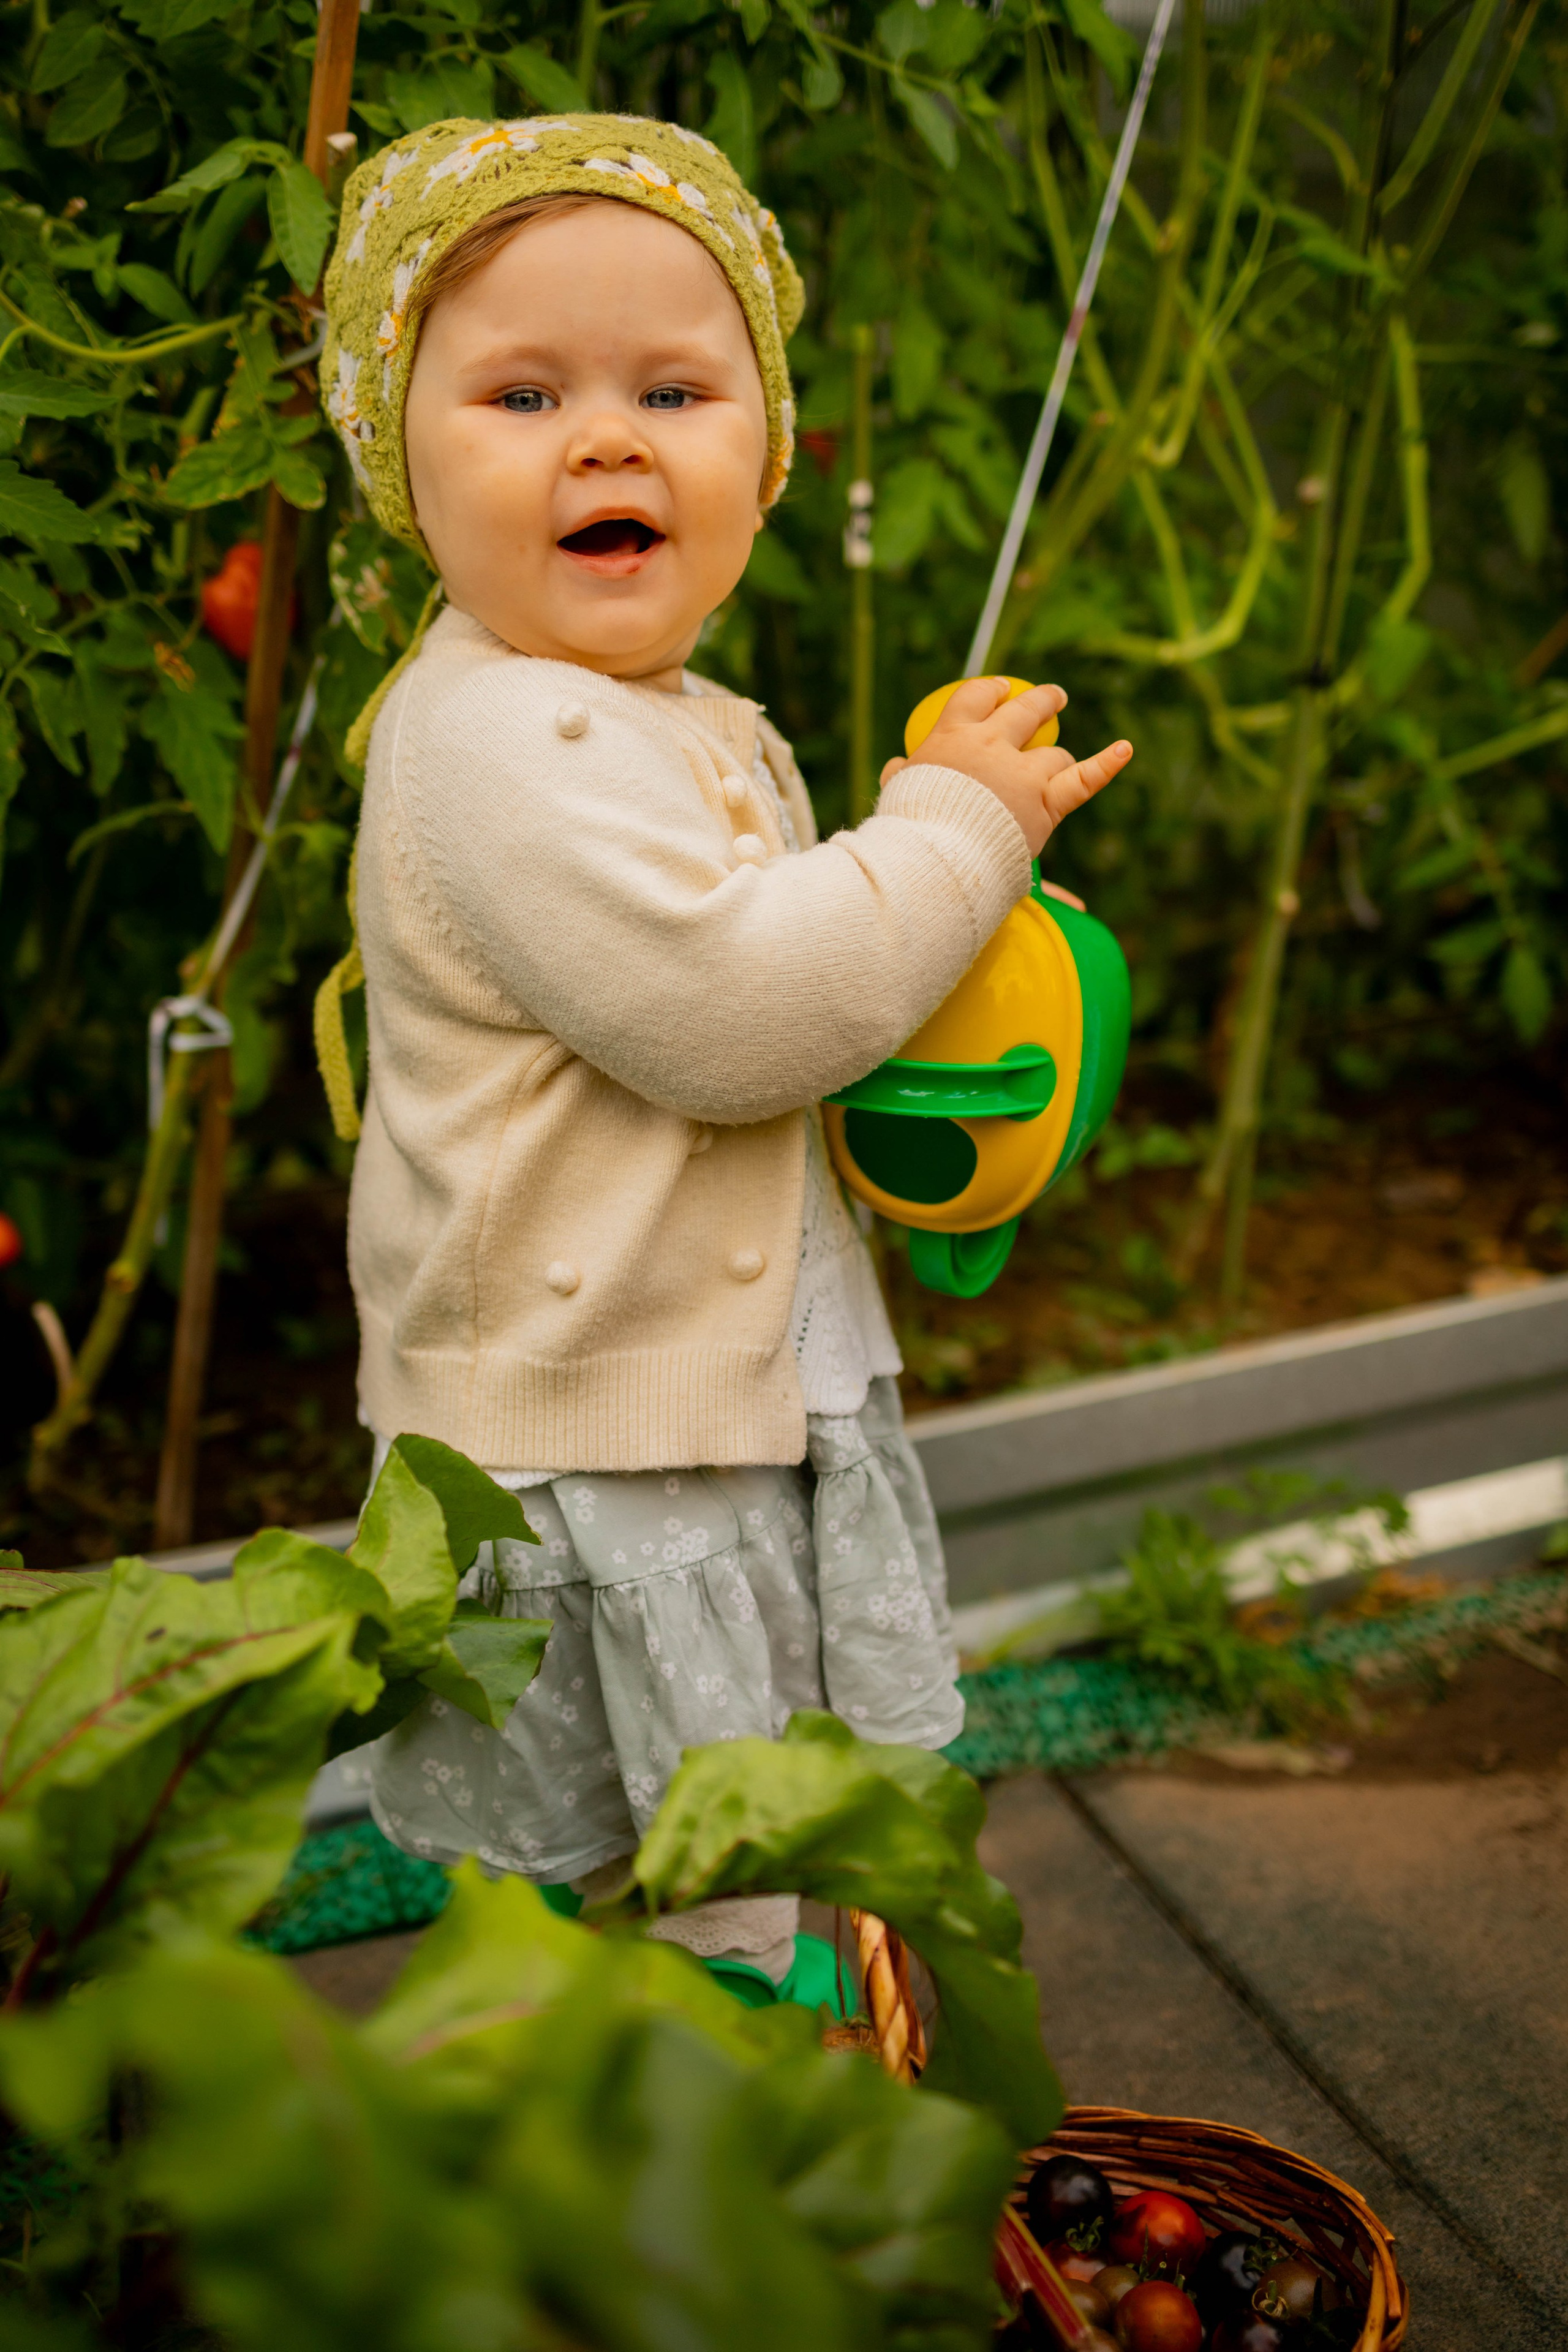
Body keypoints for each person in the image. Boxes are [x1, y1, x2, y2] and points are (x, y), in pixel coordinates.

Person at [317, 112, 1131, 2005]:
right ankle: (693, 2090)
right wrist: (954, 833)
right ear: (398, 467)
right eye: (524, 395)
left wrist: (951, 962)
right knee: (669, 1858)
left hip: (700, 1404)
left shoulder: (664, 713)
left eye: (673, 391)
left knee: (732, 1821)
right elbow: (743, 1012)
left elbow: (797, 994)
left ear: (763, 465)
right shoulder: (504, 741)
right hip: (601, 1446)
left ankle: (730, 2062)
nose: (608, 440)